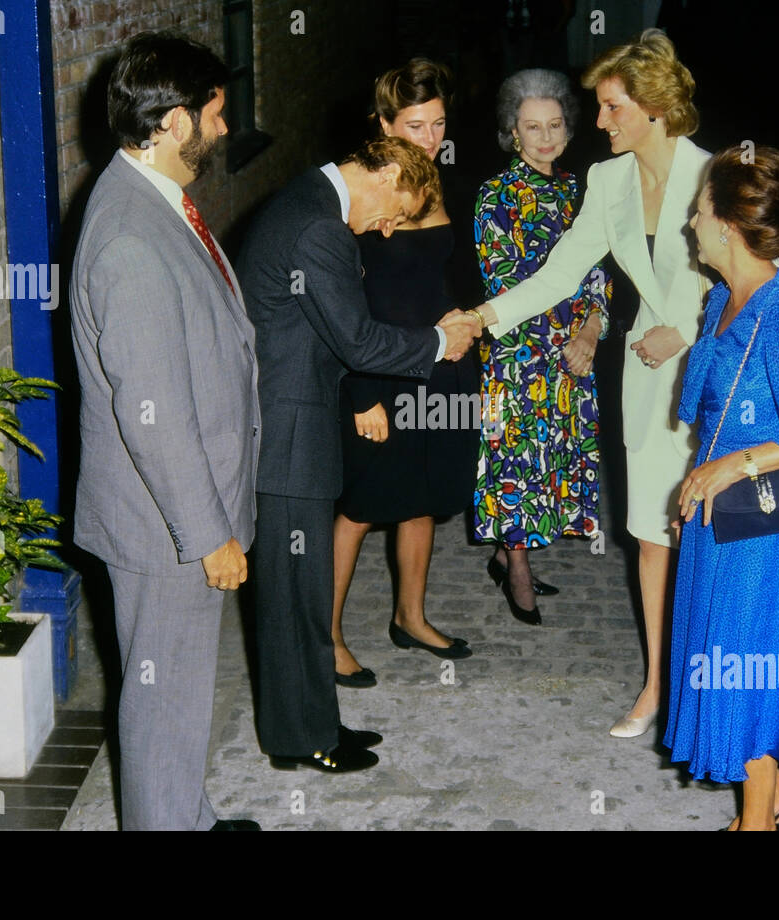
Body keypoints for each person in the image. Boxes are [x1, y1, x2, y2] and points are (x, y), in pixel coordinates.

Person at [465, 29, 710, 735]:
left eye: (608, 107)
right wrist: (484, 315)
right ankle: (657, 687)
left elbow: (756, 286)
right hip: (645, 383)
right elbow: (562, 272)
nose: (593, 122)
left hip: (712, 382)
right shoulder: (608, 181)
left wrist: (689, 329)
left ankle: (706, 684)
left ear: (654, 106)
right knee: (652, 537)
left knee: (709, 537)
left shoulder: (714, 175)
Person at [236, 136, 477, 773]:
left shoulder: (306, 201)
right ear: (389, 172)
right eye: (399, 209)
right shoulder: (320, 227)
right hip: (288, 432)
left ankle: (308, 723)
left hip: (295, 422)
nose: (390, 225)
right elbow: (358, 342)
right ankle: (302, 738)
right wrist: (438, 342)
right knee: (294, 595)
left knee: (302, 591)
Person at [69, 32, 258, 830]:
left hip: (174, 517)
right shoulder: (130, 242)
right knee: (157, 710)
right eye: (214, 115)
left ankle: (192, 817)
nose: (223, 130)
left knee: (178, 696)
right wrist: (209, 533)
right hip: (168, 526)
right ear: (176, 122)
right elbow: (153, 417)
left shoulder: (151, 200)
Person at [665, 144, 779, 831]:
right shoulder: (721, 298)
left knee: (751, 671)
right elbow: (714, 422)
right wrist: (698, 487)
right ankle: (768, 803)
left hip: (768, 531)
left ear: (726, 225)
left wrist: (734, 468)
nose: (690, 224)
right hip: (721, 521)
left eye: (697, 211)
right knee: (725, 661)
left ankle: (756, 826)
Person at [332, 59, 475, 691]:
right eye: (415, 125)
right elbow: (342, 303)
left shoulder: (444, 182)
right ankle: (325, 635)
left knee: (423, 495)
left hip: (442, 364)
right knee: (362, 506)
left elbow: (449, 270)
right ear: (383, 123)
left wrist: (463, 317)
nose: (429, 137)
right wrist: (364, 392)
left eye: (438, 123)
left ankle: (409, 616)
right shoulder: (360, 190)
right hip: (378, 372)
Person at [473, 68, 610, 626]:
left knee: (552, 460)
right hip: (518, 355)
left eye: (555, 125)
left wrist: (591, 331)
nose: (546, 137)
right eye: (533, 127)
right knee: (515, 459)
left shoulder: (584, 191)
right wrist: (563, 340)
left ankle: (511, 552)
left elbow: (604, 272)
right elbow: (503, 284)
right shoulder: (495, 196)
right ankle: (519, 568)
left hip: (576, 353)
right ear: (513, 131)